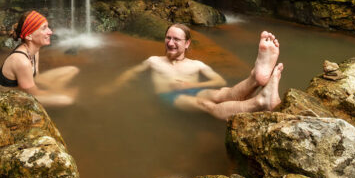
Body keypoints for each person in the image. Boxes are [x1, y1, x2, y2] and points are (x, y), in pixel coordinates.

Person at [106, 24, 283, 120]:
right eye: (168, 38)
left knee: (223, 93)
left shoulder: (197, 64)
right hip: (169, 95)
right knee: (207, 105)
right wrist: (112, 88)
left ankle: (255, 78)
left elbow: (219, 81)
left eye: (176, 39)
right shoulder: (154, 61)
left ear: (187, 43)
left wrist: (194, 84)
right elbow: (131, 73)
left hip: (194, 89)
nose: (170, 42)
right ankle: (260, 102)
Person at [0, 10, 79, 107]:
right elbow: (34, 93)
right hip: (11, 96)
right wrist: (62, 93)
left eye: (48, 27)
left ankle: (58, 90)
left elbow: (36, 77)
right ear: (29, 36)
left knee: (73, 70)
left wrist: (55, 90)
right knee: (66, 100)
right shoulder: (22, 62)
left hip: (29, 85)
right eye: (44, 28)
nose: (50, 32)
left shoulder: (34, 49)